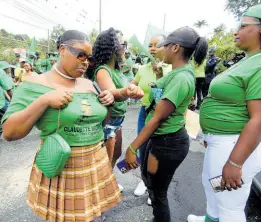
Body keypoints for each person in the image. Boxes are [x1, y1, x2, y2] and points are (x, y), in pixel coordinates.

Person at [1, 30, 122, 222]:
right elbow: (9, 132)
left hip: (94, 163)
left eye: (89, 58)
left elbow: (100, 123)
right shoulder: (35, 83)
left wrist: (108, 104)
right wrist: (44, 100)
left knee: (90, 216)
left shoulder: (89, 85)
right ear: (63, 49)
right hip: (63, 167)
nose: (85, 61)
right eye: (80, 54)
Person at [125, 26, 208, 222]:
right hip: (163, 140)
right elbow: (160, 97)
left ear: (176, 48)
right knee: (150, 181)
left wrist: (132, 147)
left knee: (157, 192)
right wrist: (160, 77)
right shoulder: (175, 73)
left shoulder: (181, 77)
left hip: (167, 143)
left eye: (164, 46)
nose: (160, 50)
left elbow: (157, 117)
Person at [188, 5, 261, 222]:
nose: (235, 31)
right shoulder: (249, 60)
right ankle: (211, 219)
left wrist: (236, 162)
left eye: (242, 26)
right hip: (222, 142)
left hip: (234, 146)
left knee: (230, 206)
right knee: (213, 187)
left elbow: (258, 118)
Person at [90, 28, 144, 192]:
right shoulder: (102, 70)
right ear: (112, 46)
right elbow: (112, 94)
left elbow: (126, 87)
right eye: (124, 44)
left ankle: (107, 182)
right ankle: (99, 197)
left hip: (118, 121)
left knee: (116, 154)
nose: (126, 48)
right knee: (105, 160)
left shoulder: (116, 70)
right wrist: (127, 92)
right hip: (108, 122)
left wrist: (132, 89)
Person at [130, 35, 172, 203]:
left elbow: (164, 95)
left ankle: (155, 186)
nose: (153, 48)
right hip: (144, 111)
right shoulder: (143, 68)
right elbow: (132, 84)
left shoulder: (171, 68)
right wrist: (131, 87)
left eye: (157, 45)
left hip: (163, 115)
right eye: (150, 45)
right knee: (143, 147)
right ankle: (144, 180)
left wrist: (160, 74)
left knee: (157, 150)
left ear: (166, 46)